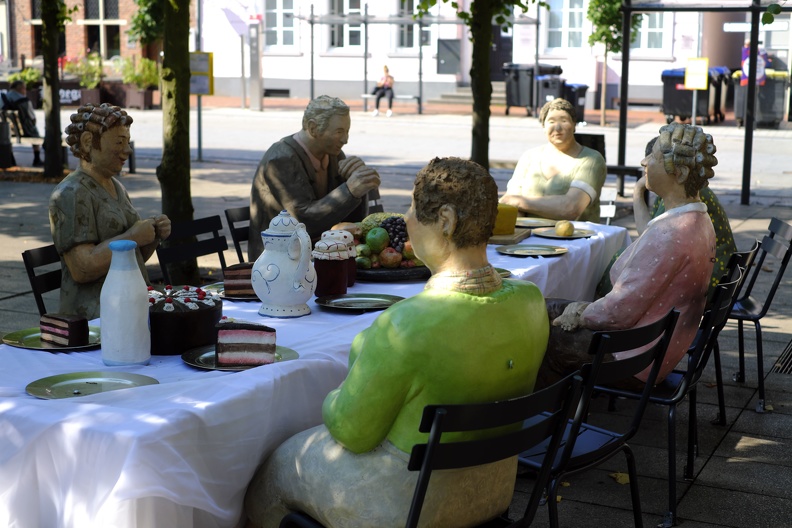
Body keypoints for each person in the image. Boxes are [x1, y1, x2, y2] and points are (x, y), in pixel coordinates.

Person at [244, 157, 550, 528]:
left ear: (446, 221)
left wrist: (338, 385)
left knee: (273, 468)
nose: (406, 218)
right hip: (490, 489)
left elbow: (352, 432)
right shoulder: (532, 300)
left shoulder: (405, 325)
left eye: (415, 208)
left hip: (407, 503)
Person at [536, 123, 717, 390]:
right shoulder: (698, 220)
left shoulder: (672, 234)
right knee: (542, 307)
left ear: (678, 173)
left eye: (654, 157)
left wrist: (582, 313)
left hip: (635, 359)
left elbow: (618, 312)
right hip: (659, 347)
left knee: (538, 333)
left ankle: (541, 419)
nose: (645, 161)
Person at [48, 103, 171, 320]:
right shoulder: (72, 193)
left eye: (127, 141)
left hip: (129, 302)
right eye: (119, 142)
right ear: (88, 143)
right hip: (96, 314)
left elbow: (133, 256)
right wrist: (133, 236)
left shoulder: (116, 187)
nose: (128, 150)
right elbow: (82, 268)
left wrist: (152, 236)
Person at [248, 95, 381, 260]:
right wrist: (350, 190)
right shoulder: (282, 159)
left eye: (347, 131)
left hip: (318, 253)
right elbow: (303, 222)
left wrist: (361, 187)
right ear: (313, 128)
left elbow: (352, 221)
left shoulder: (334, 155)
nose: (345, 140)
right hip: (279, 261)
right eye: (339, 132)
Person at [500, 98, 606, 223]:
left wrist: (520, 201)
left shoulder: (590, 160)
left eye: (564, 120)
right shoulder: (529, 157)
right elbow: (510, 204)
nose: (558, 127)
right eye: (551, 121)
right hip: (528, 236)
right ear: (543, 126)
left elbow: (571, 208)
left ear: (574, 125)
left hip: (576, 238)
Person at [4, 80, 43, 167]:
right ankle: (37, 159)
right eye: (25, 88)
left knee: (7, 133)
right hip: (25, 131)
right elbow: (33, 118)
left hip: (7, 132)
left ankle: (11, 159)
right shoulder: (24, 100)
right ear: (21, 89)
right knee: (35, 131)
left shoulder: (3, 98)